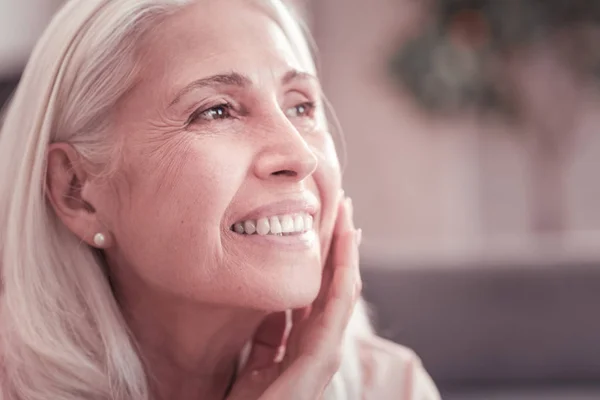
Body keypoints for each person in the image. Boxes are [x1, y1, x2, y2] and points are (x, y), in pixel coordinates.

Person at [0, 0, 440, 399]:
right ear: (76, 190)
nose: (300, 157)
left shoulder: (391, 388)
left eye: (301, 106)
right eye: (216, 110)